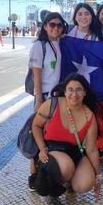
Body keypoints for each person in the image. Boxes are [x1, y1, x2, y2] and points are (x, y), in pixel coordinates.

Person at [31, 73, 103, 205]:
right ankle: (52, 194)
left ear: (84, 93)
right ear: (65, 92)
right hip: (50, 151)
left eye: (78, 89)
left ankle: (68, 180)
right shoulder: (52, 104)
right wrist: (41, 148)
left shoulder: (89, 115)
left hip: (74, 152)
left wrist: (98, 175)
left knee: (84, 184)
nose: (74, 94)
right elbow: (35, 126)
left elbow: (91, 149)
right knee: (66, 165)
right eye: (70, 89)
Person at [27, 12, 68, 191]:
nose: (56, 28)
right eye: (52, 24)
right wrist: (39, 99)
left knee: (52, 135)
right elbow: (37, 74)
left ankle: (50, 172)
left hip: (58, 97)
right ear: (45, 26)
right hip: (44, 96)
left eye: (59, 25)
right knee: (37, 135)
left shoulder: (60, 43)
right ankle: (33, 175)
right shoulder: (39, 46)